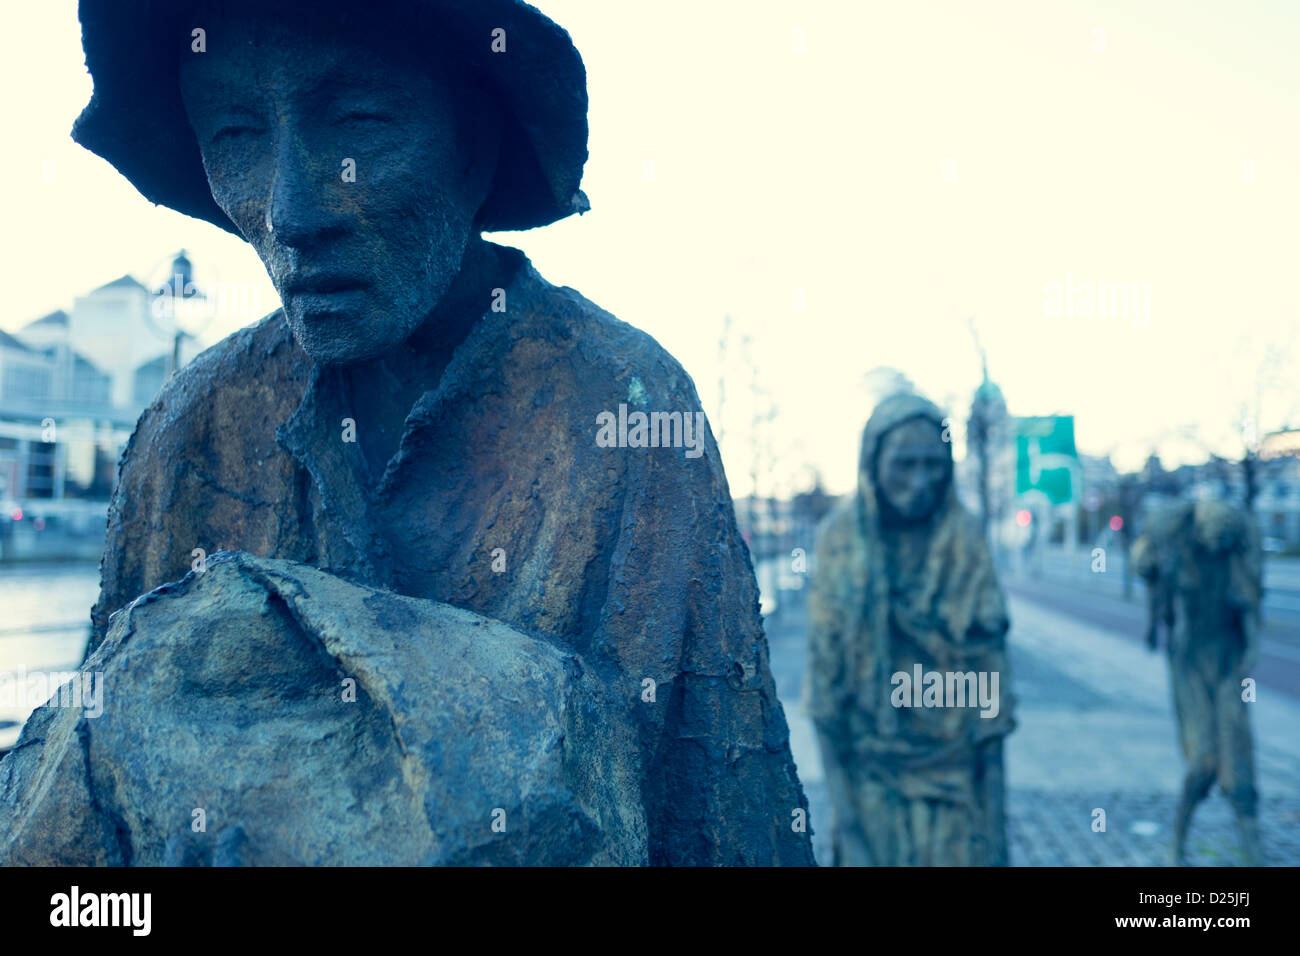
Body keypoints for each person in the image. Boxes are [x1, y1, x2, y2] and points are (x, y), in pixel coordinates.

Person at [61, 0, 812, 866]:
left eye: (360, 121)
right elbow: (89, 801)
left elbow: (721, 811)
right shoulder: (188, 436)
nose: (292, 212)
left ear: (475, 142)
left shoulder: (627, 415)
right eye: (235, 133)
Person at [806, 392, 1015, 865]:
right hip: (872, 781)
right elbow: (825, 699)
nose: (919, 482)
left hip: (954, 786)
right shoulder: (841, 542)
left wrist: (996, 828)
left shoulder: (965, 543)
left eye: (932, 464)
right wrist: (849, 823)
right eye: (904, 464)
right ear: (873, 462)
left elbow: (991, 700)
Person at [1133, 499, 1263, 866]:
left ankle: (1254, 850)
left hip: (1227, 660)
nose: (1218, 545)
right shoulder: (1177, 547)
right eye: (1213, 537)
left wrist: (1251, 647)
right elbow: (1143, 562)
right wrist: (1146, 561)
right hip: (1189, 662)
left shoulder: (1233, 555)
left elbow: (1250, 602)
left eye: (1224, 539)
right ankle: (1177, 840)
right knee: (1204, 761)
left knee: (1238, 760)